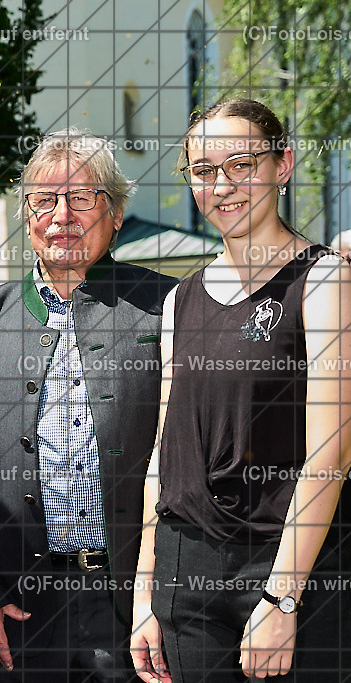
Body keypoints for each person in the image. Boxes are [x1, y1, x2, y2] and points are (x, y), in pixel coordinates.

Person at [0, 127, 176, 680]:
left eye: (83, 197)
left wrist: (166, 594)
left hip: (136, 607)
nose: (61, 215)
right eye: (45, 200)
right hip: (17, 610)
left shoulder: (166, 307)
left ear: (115, 213)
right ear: (28, 214)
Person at [131, 98, 351, 682]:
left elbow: (332, 453)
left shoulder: (324, 280)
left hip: (285, 565)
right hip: (186, 574)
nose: (222, 185)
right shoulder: (181, 300)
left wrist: (283, 600)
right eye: (204, 171)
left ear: (282, 165)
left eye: (241, 164)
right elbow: (164, 454)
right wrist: (144, 599)